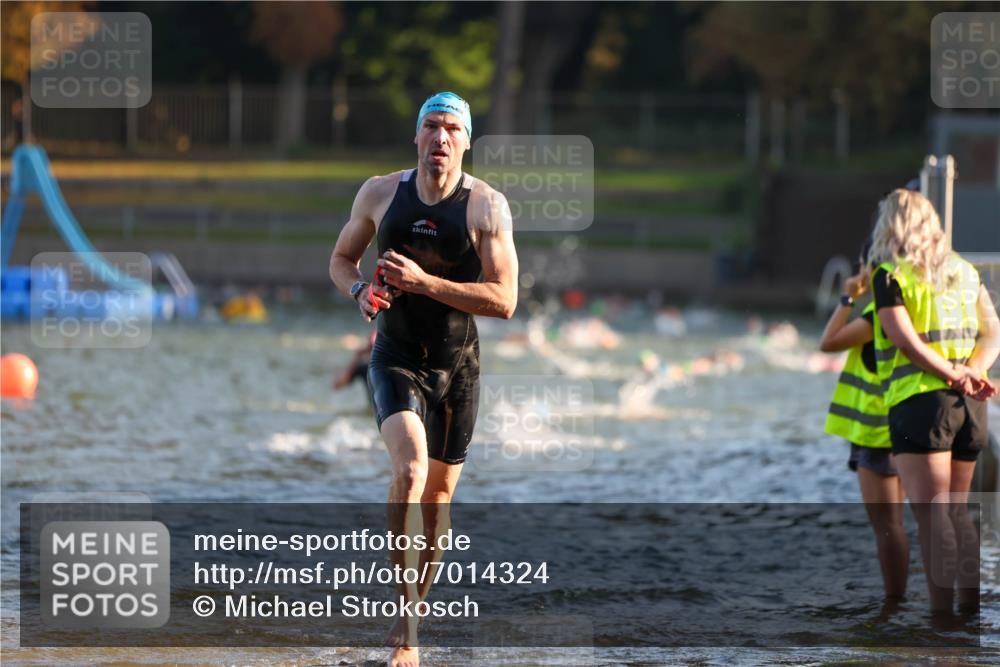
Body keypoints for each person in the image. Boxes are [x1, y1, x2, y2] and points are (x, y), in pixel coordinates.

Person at [329, 91, 518, 667]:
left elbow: (505, 300)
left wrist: (422, 283)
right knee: (409, 470)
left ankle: (413, 610)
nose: (440, 138)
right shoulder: (380, 193)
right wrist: (360, 290)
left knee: (437, 503)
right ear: (416, 137)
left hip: (458, 368)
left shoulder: (486, 207)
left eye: (451, 129)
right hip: (396, 356)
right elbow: (341, 259)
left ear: (465, 142)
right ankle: (407, 632)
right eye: (431, 127)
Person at [869, 189, 999, 615]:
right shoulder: (964, 271)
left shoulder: (890, 275)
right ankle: (968, 614)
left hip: (921, 405)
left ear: (891, 225)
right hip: (970, 407)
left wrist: (951, 373)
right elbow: (992, 331)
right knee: (959, 514)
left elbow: (904, 340)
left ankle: (941, 626)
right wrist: (974, 372)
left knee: (933, 519)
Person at [819, 246, 907, 602]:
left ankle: (894, 603)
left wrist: (847, 297)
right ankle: (907, 603)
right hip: (896, 426)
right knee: (897, 524)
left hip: (876, 432)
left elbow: (828, 342)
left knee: (887, 526)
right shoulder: (907, 311)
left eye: (861, 266)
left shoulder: (874, 316)